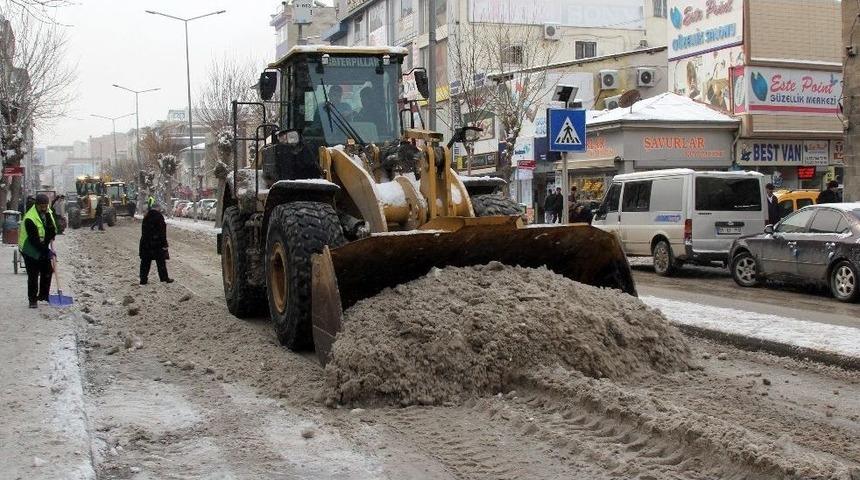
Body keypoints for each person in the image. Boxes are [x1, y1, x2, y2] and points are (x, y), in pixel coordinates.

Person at [18, 194, 57, 308]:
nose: (44, 208)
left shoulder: (47, 212)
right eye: (42, 206)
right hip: (29, 248)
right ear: (37, 205)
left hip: (41, 245)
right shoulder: (30, 218)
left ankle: (43, 296)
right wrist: (46, 252)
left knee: (48, 270)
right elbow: (34, 241)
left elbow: (51, 228)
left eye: (46, 206)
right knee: (33, 275)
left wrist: (51, 233)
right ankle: (32, 300)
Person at [139, 202, 173, 284]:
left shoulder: (146, 216)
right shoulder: (159, 217)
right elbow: (162, 232)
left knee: (145, 262)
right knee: (161, 262)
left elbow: (144, 231)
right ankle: (164, 278)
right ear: (158, 208)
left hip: (145, 243)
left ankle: (143, 279)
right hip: (157, 243)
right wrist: (164, 243)